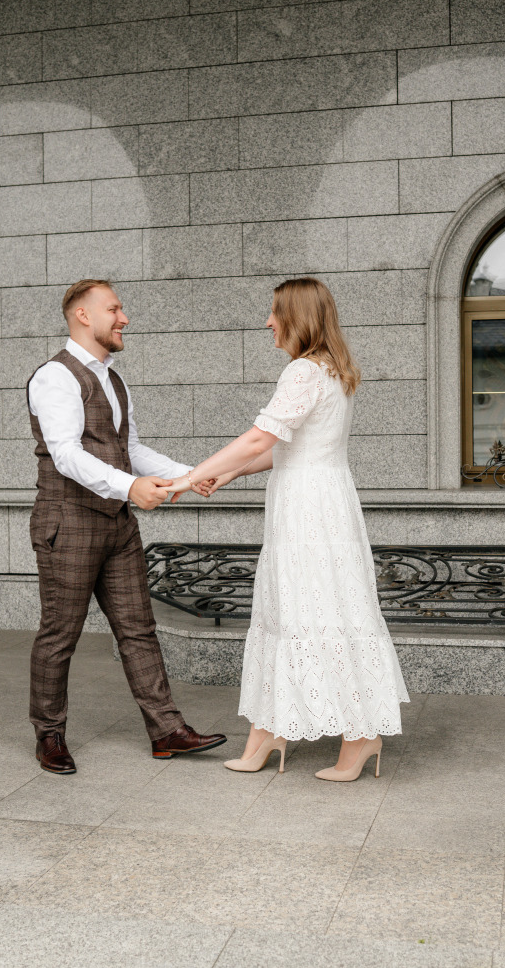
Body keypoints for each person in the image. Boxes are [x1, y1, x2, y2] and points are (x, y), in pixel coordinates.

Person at [169, 277, 409, 781]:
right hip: (321, 503)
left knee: (310, 613)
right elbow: (286, 447)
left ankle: (358, 735)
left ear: (296, 317)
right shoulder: (332, 372)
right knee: (301, 611)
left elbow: (260, 438)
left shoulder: (303, 371)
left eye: (275, 313)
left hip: (308, 511)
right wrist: (228, 474)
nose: (268, 322)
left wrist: (191, 477)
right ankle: (273, 730)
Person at [26, 278, 226, 773]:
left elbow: (128, 449)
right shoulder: (55, 377)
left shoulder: (114, 381)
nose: (124, 318)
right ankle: (49, 735)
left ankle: (166, 731)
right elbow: (66, 454)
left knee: (139, 631)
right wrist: (130, 487)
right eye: (114, 309)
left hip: (117, 525)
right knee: (59, 635)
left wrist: (188, 475)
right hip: (68, 523)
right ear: (83, 315)